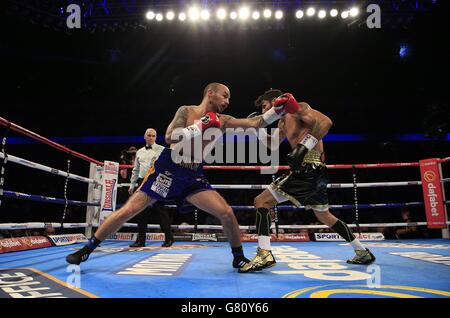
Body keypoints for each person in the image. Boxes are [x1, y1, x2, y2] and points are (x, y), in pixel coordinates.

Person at [66, 82, 297, 269]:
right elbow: (168, 137)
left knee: (226, 212)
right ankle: (87, 249)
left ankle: (238, 257)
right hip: (167, 169)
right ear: (211, 93)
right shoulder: (187, 111)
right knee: (129, 210)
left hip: (193, 176)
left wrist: (278, 110)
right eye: (225, 96)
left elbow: (255, 123)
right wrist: (200, 126)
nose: (228, 101)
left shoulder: (224, 121)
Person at [239, 89, 376, 273]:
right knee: (324, 216)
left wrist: (304, 147)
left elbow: (326, 122)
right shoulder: (281, 122)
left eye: (264, 106)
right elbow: (272, 144)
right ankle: (362, 251)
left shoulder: (299, 108)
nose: (264, 111)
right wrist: (258, 130)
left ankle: (264, 253)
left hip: (308, 167)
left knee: (261, 201)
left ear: (274, 102)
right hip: (315, 173)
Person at [127, 128, 174, 248]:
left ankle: (169, 238)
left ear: (156, 137)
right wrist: (132, 184)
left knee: (160, 210)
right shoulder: (140, 152)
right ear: (144, 136)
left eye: (153, 136)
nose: (151, 138)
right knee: (141, 211)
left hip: (157, 180)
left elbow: (170, 164)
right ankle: (140, 240)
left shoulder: (162, 149)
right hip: (142, 181)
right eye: (149, 135)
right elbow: (135, 169)